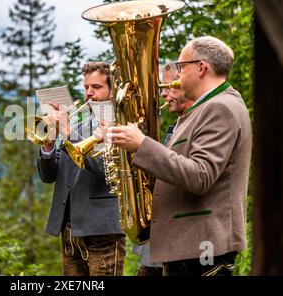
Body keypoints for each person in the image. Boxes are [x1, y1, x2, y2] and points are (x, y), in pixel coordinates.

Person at [106, 36, 252, 276]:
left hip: (202, 249)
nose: (178, 76)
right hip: (190, 246)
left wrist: (142, 144)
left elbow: (200, 176)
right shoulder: (206, 107)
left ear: (201, 67)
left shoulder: (220, 107)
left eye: (182, 67)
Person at [37, 61, 126, 276]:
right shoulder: (79, 128)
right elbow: (49, 176)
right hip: (69, 229)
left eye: (96, 87)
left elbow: (106, 168)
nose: (89, 93)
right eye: (86, 87)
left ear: (112, 92)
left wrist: (67, 133)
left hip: (102, 230)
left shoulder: (120, 126)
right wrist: (48, 144)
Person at [133, 64, 195, 276]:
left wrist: (141, 145)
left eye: (168, 86)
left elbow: (189, 175)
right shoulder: (174, 127)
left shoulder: (199, 122)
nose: (163, 94)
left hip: (182, 247)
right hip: (155, 249)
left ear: (185, 82)